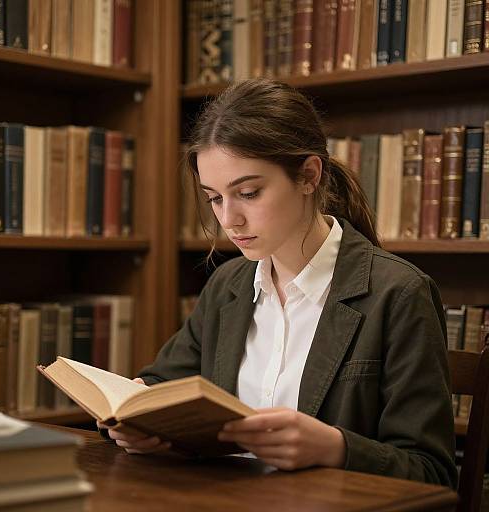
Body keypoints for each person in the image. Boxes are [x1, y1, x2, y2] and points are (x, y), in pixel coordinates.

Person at [100, 78, 457, 489]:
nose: (228, 219)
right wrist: (134, 417)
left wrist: (336, 449)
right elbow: (161, 384)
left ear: (308, 175)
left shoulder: (398, 293)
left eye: (248, 193)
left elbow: (433, 473)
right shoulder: (228, 285)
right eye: (214, 198)